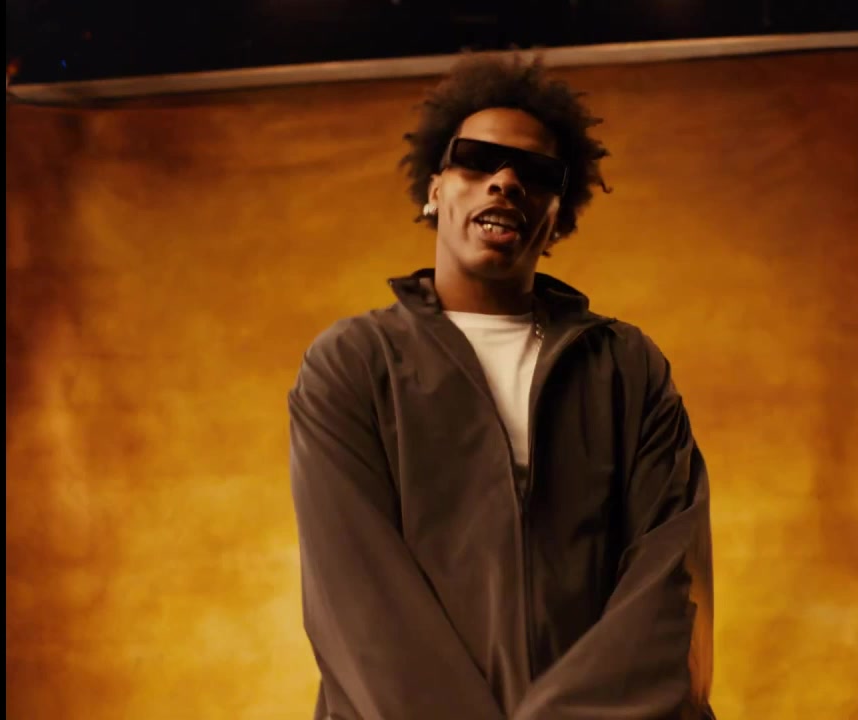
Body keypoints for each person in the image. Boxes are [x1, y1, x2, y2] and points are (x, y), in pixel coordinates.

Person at [288, 53, 716, 720]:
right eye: (478, 161)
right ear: (436, 190)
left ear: (558, 215)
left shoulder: (627, 367)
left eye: (536, 173)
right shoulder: (351, 364)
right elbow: (361, 605)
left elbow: (666, 584)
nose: (507, 181)